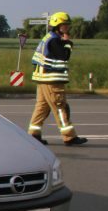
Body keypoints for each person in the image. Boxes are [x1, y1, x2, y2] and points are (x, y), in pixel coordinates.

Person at [28, 12, 87, 146]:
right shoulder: (55, 40)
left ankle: (33, 134)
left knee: (42, 107)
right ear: (57, 26)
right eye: (64, 25)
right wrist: (68, 43)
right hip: (52, 80)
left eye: (67, 25)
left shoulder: (48, 37)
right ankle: (69, 137)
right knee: (61, 107)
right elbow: (64, 56)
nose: (67, 28)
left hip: (43, 80)